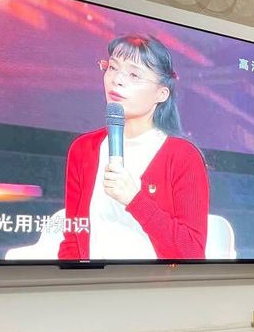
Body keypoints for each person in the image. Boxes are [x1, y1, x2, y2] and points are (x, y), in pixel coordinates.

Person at [58, 34, 209, 261]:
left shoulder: (183, 156)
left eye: (134, 74)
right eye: (112, 67)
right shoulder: (83, 149)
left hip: (159, 282)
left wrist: (134, 198)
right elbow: (73, 236)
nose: (117, 80)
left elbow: (192, 253)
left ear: (161, 93)